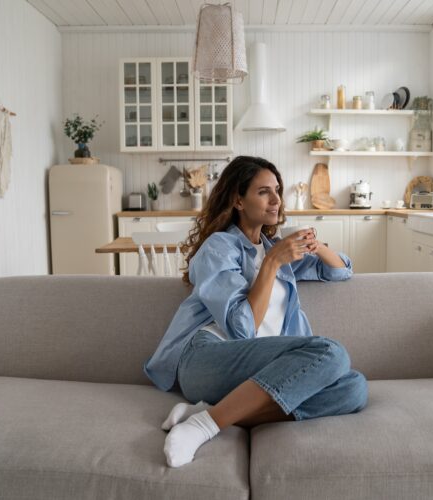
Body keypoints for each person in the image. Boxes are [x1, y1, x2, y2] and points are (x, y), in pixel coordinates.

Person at [144, 156, 368, 468]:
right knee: (331, 352)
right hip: (208, 359)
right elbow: (242, 328)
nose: (276, 199)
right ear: (238, 199)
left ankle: (208, 412)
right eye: (264, 191)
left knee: (354, 387)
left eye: (277, 190)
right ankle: (201, 428)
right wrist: (272, 262)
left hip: (261, 371)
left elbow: (340, 271)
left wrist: (315, 244)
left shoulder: (272, 245)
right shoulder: (219, 248)